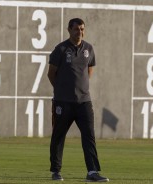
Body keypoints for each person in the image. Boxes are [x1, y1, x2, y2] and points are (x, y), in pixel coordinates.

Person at [47, 18, 109, 182]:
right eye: (76, 29)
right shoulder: (60, 49)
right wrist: (61, 90)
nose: (79, 32)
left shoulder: (89, 48)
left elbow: (88, 71)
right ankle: (56, 171)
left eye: (82, 29)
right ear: (69, 30)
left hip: (84, 102)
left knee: (89, 136)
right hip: (63, 102)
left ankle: (92, 172)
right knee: (58, 136)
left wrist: (81, 90)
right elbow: (51, 74)